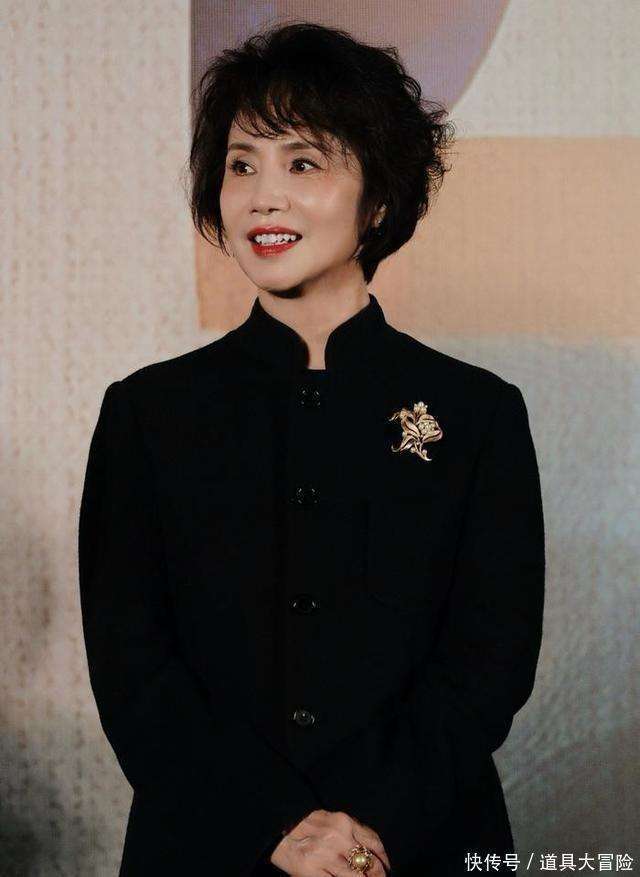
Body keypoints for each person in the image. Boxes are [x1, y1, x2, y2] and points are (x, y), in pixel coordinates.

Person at [78, 21, 545, 877]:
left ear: (379, 199)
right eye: (241, 165)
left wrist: (366, 829)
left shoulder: (478, 413)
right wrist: (278, 823)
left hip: (418, 843)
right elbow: (132, 666)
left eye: (303, 164)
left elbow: (489, 662)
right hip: (208, 844)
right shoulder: (147, 413)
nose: (264, 197)